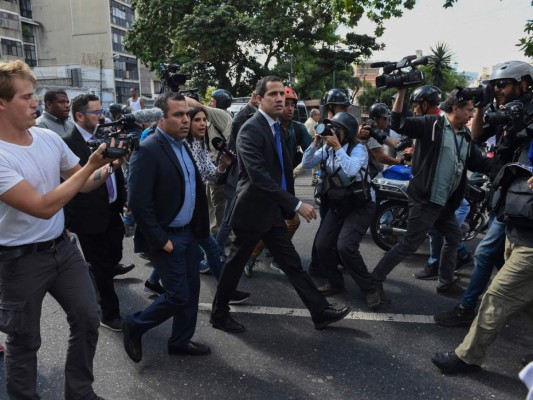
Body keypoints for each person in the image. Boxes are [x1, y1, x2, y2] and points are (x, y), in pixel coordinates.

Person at [0, 59, 114, 400]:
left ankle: (80, 393)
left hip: (62, 248)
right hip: (18, 262)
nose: (35, 102)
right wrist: (90, 166)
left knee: (88, 317)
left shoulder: (47, 137)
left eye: (34, 95)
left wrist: (109, 165)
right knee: (24, 341)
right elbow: (43, 205)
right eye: (26, 97)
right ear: (2, 103)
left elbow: (82, 183)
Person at [210, 76, 350, 333]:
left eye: (281, 95)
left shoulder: (277, 127)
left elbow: (284, 169)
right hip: (251, 210)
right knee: (234, 264)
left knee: (292, 263)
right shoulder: (251, 129)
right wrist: (296, 204)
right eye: (272, 94)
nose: (279, 99)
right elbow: (259, 176)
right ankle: (219, 314)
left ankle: (319, 312)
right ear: (259, 99)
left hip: (271, 211)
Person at [371, 87, 494, 302]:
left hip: (445, 204)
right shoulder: (432, 124)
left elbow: (479, 162)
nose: (472, 115)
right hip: (426, 200)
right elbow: (399, 123)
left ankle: (445, 282)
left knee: (454, 237)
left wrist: (509, 168)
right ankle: (374, 280)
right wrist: (402, 91)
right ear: (455, 108)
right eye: (469, 110)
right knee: (409, 243)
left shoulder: (464, 135)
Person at [434, 60, 533, 327]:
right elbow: (476, 135)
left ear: (523, 83)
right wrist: (480, 105)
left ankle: (467, 308)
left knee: (486, 252)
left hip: (524, 197)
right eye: (494, 85)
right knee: (502, 258)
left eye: (503, 84)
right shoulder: (499, 110)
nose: (497, 89)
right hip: (506, 193)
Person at [123, 91, 211, 363]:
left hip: (188, 234)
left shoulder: (182, 144)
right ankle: (135, 324)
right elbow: (138, 202)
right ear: (160, 120)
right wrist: (160, 240)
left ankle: (180, 341)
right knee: (177, 296)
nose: (186, 120)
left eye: (187, 114)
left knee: (192, 292)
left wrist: (197, 231)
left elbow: (191, 187)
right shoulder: (148, 150)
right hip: (167, 238)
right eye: (178, 115)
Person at [431, 169, 533, 374]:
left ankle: (467, 356)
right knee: (526, 301)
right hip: (516, 227)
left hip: (529, 243)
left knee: (498, 296)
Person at [62, 94, 134, 332]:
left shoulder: (104, 136)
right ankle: (109, 314)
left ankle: (95, 273)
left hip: (112, 209)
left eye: (102, 111)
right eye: (96, 112)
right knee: (102, 266)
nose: (102, 116)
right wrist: (67, 219)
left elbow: (116, 168)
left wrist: (123, 200)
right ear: (80, 116)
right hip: (87, 215)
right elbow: (68, 184)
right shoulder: (67, 143)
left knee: (113, 255)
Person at [302, 112, 380, 310]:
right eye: (330, 129)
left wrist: (337, 147)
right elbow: (306, 163)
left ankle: (369, 288)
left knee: (345, 246)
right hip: (339, 204)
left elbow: (351, 170)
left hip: (360, 205)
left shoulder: (358, 149)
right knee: (322, 245)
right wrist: (315, 143)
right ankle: (335, 282)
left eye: (336, 129)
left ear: (347, 132)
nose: (332, 133)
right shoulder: (326, 149)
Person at [404, 86, 474, 280]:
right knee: (446, 234)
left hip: (441, 194)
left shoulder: (438, 122)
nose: (415, 110)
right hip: (434, 193)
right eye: (469, 110)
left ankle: (441, 266)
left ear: (424, 104)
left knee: (433, 235)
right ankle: (445, 272)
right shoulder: (431, 122)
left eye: (416, 105)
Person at [244, 86, 312, 277]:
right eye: (286, 103)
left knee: (289, 222)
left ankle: (271, 255)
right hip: (266, 186)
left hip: (285, 184)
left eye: (292, 104)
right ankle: (252, 257)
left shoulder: (297, 128)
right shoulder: (265, 127)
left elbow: (311, 151)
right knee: (268, 224)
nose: (289, 108)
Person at [186, 90, 233, 237]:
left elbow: (199, 106)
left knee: (217, 205)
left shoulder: (221, 114)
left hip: (214, 166)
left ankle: (219, 237)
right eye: (197, 120)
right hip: (211, 165)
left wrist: (176, 96)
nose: (202, 124)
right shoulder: (189, 143)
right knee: (210, 206)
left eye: (212, 100)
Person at [305, 108, 321, 186]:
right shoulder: (311, 123)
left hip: (313, 146)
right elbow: (308, 136)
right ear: (313, 115)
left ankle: (315, 179)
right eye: (318, 115)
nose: (319, 116)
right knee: (303, 165)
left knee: (315, 164)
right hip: (310, 147)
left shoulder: (314, 122)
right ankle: (292, 174)